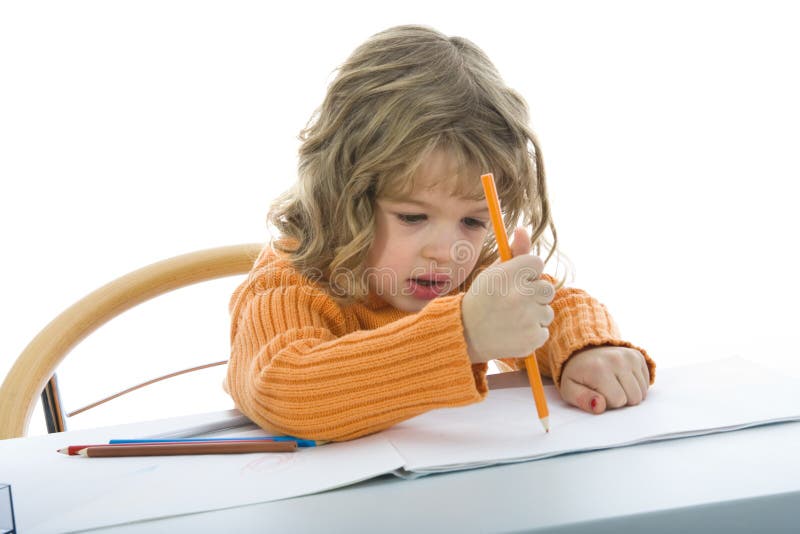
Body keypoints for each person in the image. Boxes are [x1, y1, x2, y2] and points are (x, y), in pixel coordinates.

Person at [225, 25, 655, 442]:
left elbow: (554, 306)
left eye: (473, 221)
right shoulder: (292, 282)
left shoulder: (465, 276)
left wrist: (583, 348)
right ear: (341, 195)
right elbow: (284, 391)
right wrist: (463, 335)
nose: (447, 253)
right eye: (412, 217)